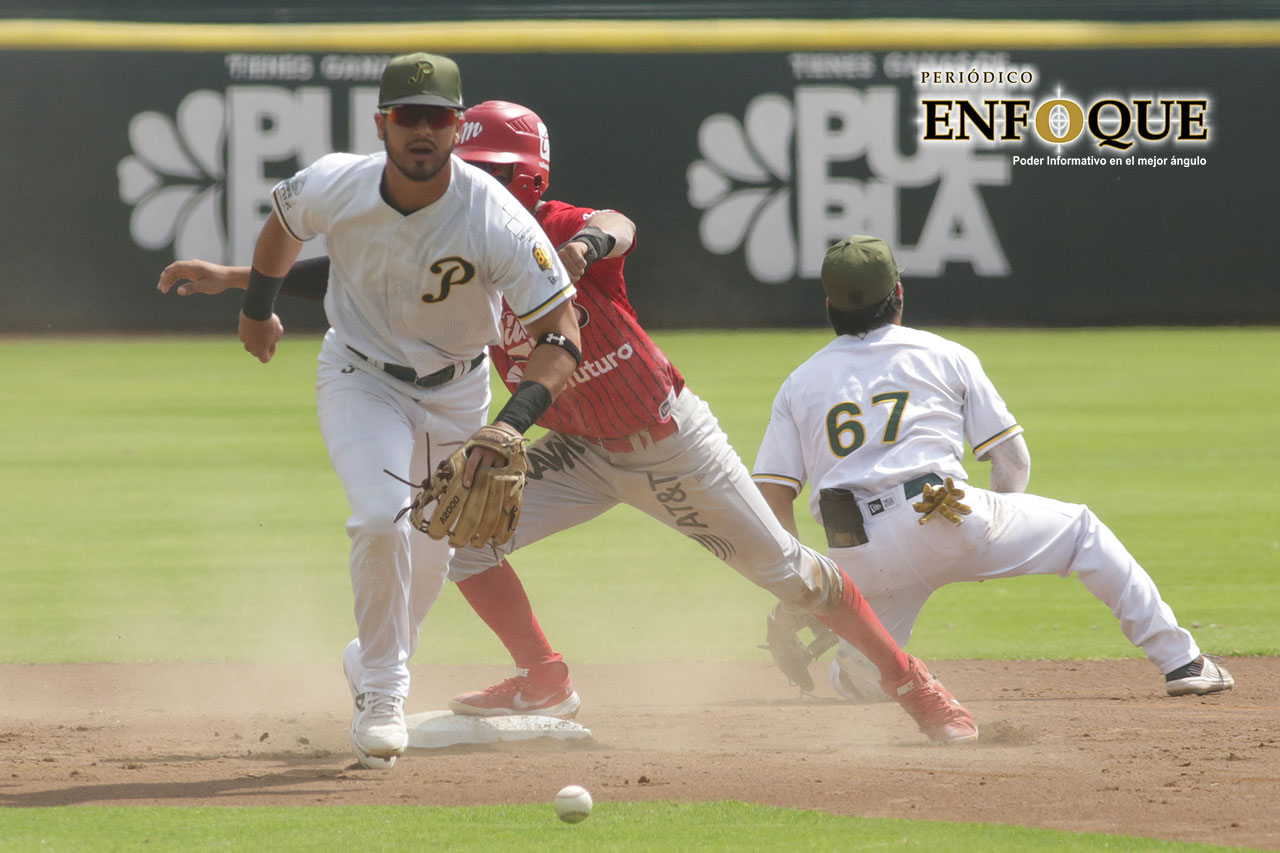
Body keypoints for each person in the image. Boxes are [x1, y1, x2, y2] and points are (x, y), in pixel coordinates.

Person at [161, 101, 979, 746]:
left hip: (668, 444)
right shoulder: (453, 236)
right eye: (474, 166)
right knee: (454, 535)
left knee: (793, 576)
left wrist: (586, 245)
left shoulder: (546, 228)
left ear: (533, 178)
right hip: (578, 450)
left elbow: (620, 222)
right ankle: (543, 677)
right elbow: (356, 278)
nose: (479, 180)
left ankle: (912, 682)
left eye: (498, 169)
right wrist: (239, 279)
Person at [162, 55, 583, 769]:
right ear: (382, 123)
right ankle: (384, 693)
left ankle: (368, 660)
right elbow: (283, 225)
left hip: (459, 393)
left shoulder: (495, 217)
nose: (422, 130)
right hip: (360, 377)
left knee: (430, 554)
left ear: (456, 127)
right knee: (382, 519)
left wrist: (510, 424)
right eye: (408, 116)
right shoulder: (336, 182)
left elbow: (562, 336)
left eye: (437, 118)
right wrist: (254, 308)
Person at [751, 234, 1234, 705]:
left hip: (856, 549)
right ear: (898, 292)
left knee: (856, 673)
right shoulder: (943, 354)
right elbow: (1012, 459)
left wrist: (805, 583)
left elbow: (773, 495)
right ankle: (1184, 664)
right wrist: (990, 532)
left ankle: (871, 668)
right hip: (943, 513)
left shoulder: (798, 384)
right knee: (1082, 531)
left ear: (829, 306)